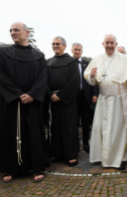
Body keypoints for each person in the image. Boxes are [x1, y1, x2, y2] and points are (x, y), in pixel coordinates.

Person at [0, 22, 50, 183]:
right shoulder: (3, 52)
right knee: (9, 134)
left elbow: (42, 78)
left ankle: (37, 167)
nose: (13, 32)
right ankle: (10, 169)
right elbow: (0, 76)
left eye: (16, 30)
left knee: (33, 134)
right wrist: (17, 94)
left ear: (27, 33)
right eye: (11, 30)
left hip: (31, 103)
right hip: (10, 102)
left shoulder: (38, 56)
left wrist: (32, 94)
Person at [84, 34, 127, 170]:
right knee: (101, 129)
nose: (109, 45)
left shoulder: (125, 59)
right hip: (103, 101)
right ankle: (102, 156)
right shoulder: (96, 59)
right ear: (103, 44)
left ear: (116, 44)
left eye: (111, 43)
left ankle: (117, 158)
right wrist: (91, 76)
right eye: (107, 43)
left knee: (116, 132)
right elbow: (90, 79)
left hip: (119, 102)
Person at [46, 37, 80, 166]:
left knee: (68, 127)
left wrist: (60, 95)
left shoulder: (72, 62)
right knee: (54, 127)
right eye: (53, 44)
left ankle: (71, 155)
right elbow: (42, 81)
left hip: (67, 101)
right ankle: (57, 153)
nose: (55, 46)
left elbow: (75, 82)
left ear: (65, 46)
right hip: (52, 101)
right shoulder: (47, 62)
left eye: (58, 44)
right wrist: (50, 94)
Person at [72, 43, 99, 153]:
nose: (77, 51)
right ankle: (74, 145)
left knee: (86, 121)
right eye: (75, 50)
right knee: (73, 122)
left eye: (79, 50)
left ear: (82, 51)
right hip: (72, 97)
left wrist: (94, 94)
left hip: (86, 97)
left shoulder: (88, 64)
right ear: (72, 50)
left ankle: (86, 143)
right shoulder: (68, 64)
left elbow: (94, 80)